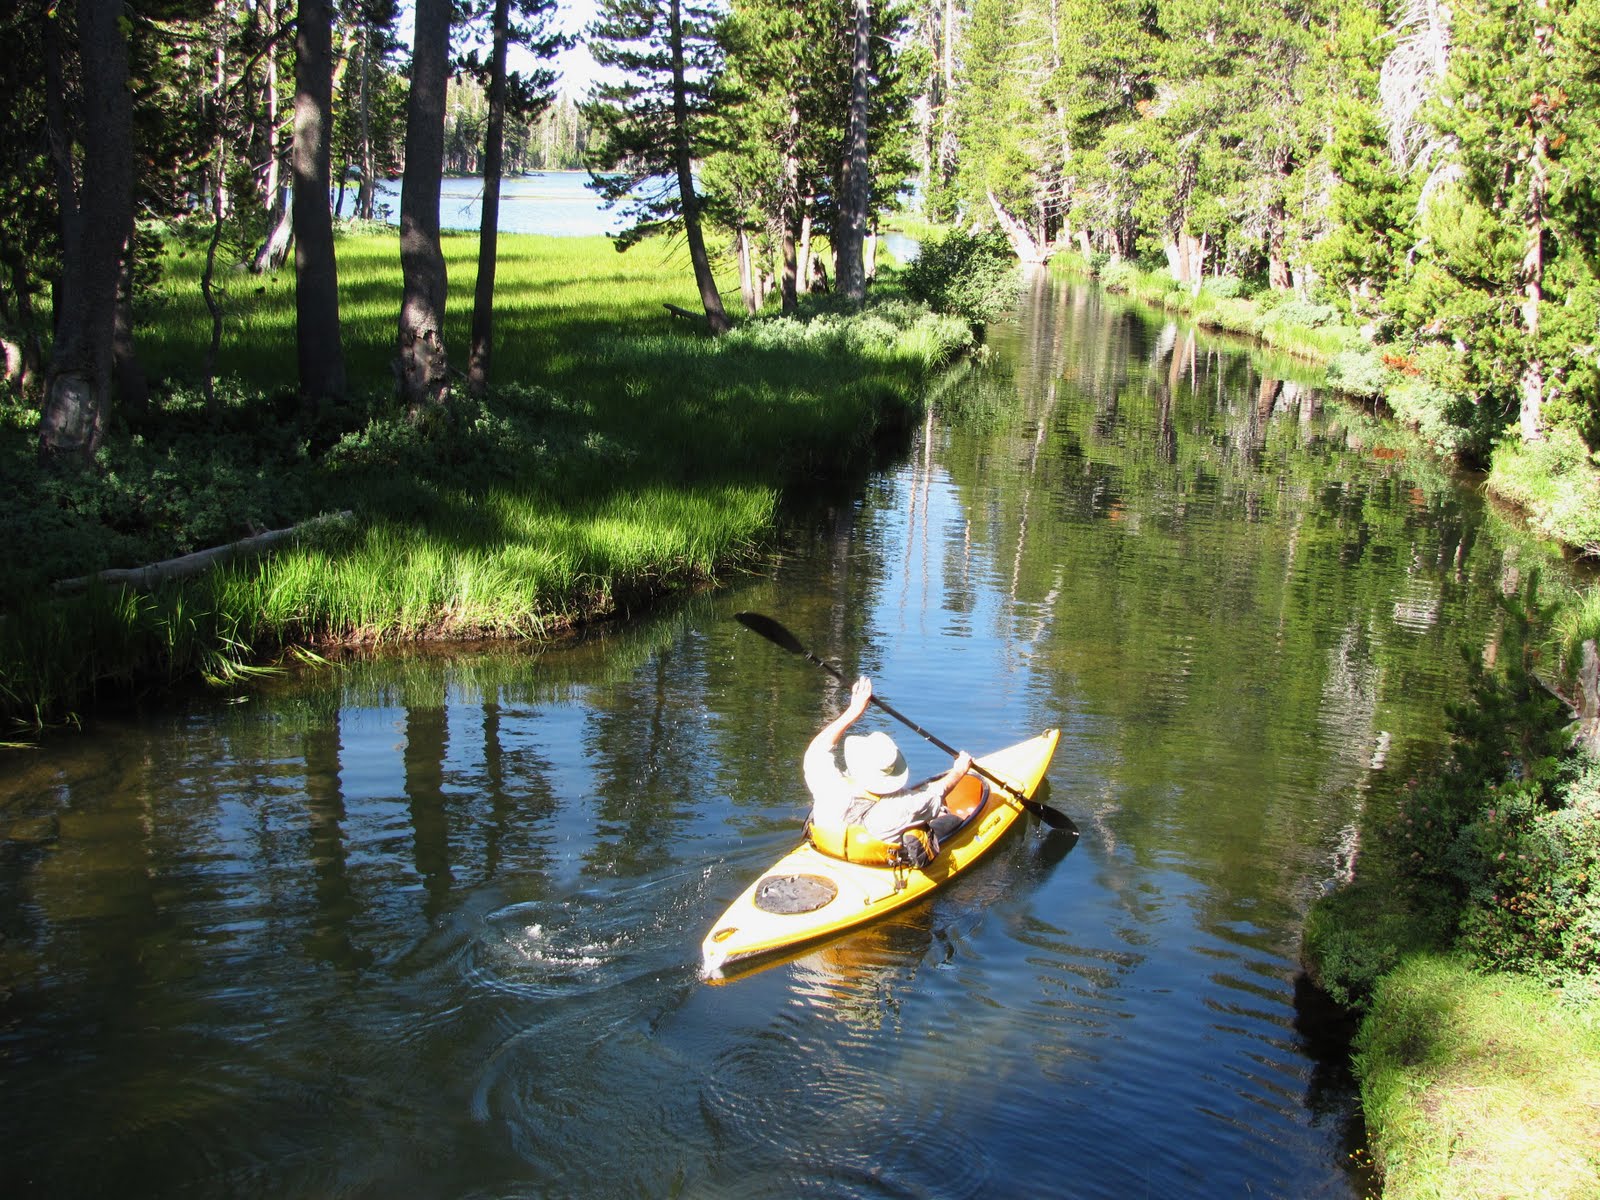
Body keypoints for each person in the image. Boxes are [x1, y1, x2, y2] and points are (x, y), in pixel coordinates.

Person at [804, 676, 973, 864]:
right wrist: (959, 770)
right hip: (875, 865)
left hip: (828, 852)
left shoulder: (829, 785)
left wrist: (854, 711)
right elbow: (936, 793)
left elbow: (819, 748)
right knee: (952, 820)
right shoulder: (902, 807)